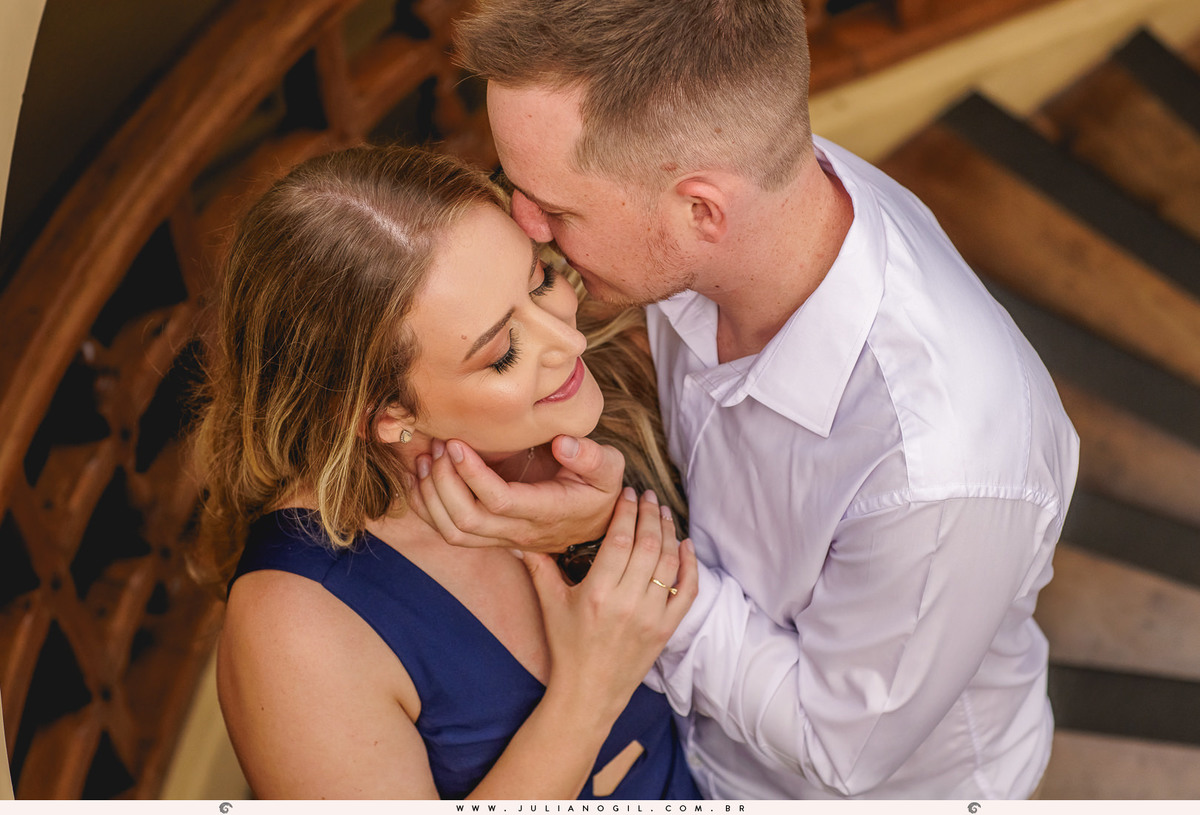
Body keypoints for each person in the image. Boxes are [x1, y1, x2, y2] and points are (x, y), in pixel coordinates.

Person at [408, 0, 1081, 799]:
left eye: (554, 209)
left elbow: (840, 743)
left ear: (701, 210)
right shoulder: (759, 199)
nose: (527, 228)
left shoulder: (937, 471)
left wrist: (609, 543)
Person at [187, 143, 702, 800]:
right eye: (503, 352)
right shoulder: (294, 628)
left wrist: (597, 533)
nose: (569, 340)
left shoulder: (612, 366)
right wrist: (590, 691)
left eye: (539, 280)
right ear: (386, 413)